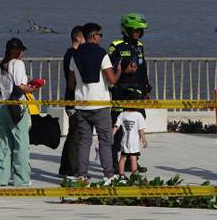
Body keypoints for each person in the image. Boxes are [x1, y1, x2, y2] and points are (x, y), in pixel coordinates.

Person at [67, 22, 121, 184]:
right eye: (100, 35)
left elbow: (71, 85)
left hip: (81, 104)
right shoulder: (102, 54)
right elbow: (111, 80)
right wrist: (118, 70)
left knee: (84, 141)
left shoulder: (74, 55)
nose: (101, 38)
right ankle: (108, 175)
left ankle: (82, 175)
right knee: (105, 140)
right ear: (93, 36)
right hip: (100, 104)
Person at [0, 38, 35, 187]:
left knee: (5, 141)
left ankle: (0, 178)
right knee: (21, 142)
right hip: (17, 107)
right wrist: (34, 87)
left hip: (2, 106)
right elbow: (21, 86)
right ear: (19, 51)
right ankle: (21, 179)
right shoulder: (18, 64)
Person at [108, 13, 149, 172]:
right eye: (134, 30)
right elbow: (109, 70)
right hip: (120, 93)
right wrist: (124, 71)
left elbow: (143, 67)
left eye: (140, 30)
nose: (137, 32)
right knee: (117, 129)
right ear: (126, 30)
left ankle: (132, 160)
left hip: (137, 94)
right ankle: (112, 162)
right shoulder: (116, 45)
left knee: (136, 129)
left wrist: (146, 88)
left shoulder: (139, 46)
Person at [59, 25, 85, 178]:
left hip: (70, 98)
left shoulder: (69, 54)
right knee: (76, 135)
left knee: (72, 134)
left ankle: (65, 167)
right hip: (73, 99)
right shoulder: (73, 55)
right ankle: (73, 168)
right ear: (80, 38)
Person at [114, 95, 148, 178]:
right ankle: (134, 175)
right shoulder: (139, 115)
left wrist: (111, 135)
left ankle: (121, 175)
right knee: (133, 158)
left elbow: (116, 126)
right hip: (134, 142)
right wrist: (144, 140)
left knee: (122, 158)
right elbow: (140, 130)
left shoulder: (122, 114)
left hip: (124, 141)